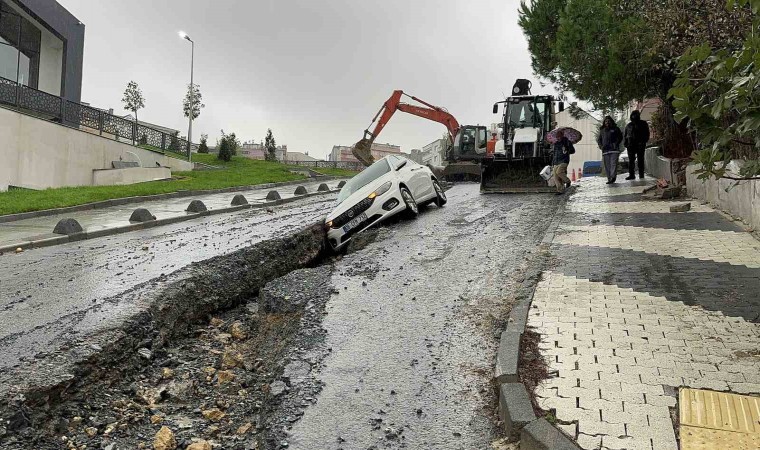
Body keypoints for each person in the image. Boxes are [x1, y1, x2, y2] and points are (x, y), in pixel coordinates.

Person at [624, 110, 650, 180]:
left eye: (635, 115)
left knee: (640, 160)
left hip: (640, 144)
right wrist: (626, 143)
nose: (634, 116)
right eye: (633, 115)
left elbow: (647, 134)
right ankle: (631, 174)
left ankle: (641, 174)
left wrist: (644, 141)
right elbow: (626, 135)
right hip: (631, 145)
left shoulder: (643, 123)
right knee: (631, 160)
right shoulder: (629, 125)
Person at [596, 116, 623, 184]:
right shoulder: (602, 130)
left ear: (611, 121)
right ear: (604, 123)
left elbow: (620, 137)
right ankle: (609, 178)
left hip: (614, 150)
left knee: (613, 164)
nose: (607, 122)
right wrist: (601, 146)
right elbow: (599, 140)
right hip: (605, 151)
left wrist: (616, 143)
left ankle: (613, 177)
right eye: (606, 121)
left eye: (608, 121)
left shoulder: (616, 129)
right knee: (607, 165)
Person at [552, 129, 575, 195]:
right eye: (557, 137)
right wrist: (553, 162)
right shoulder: (556, 143)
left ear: (562, 136)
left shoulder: (567, 142)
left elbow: (572, 151)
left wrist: (567, 149)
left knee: (559, 172)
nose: (558, 138)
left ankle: (568, 181)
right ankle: (560, 190)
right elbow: (555, 153)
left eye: (559, 136)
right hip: (556, 161)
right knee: (555, 176)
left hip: (564, 160)